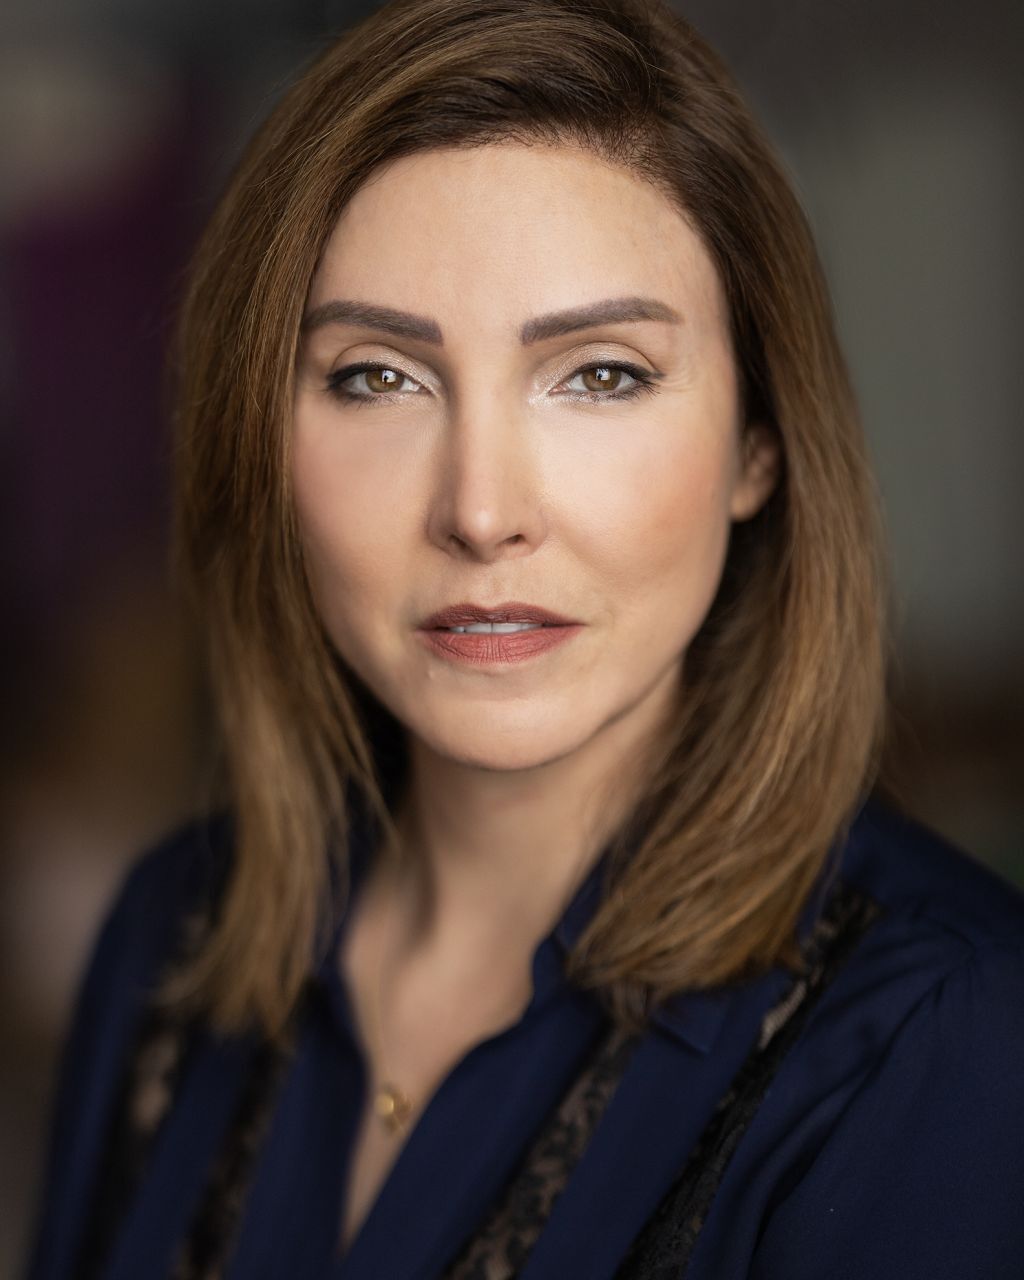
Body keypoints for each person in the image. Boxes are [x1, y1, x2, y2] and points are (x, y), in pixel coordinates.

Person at [23, 0, 1024, 1276]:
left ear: (757, 446)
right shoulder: (169, 934)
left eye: (601, 373)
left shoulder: (944, 1035)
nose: (481, 509)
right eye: (377, 375)